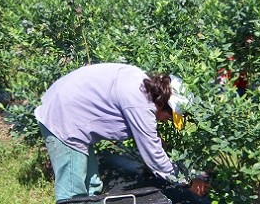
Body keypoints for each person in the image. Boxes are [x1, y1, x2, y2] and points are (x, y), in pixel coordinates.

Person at [34, 63, 208, 201]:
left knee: (92, 186)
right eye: (169, 116)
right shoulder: (139, 104)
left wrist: (153, 141)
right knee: (73, 194)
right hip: (63, 117)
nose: (167, 120)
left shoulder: (143, 88)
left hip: (70, 107)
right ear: (163, 103)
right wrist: (189, 183)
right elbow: (156, 160)